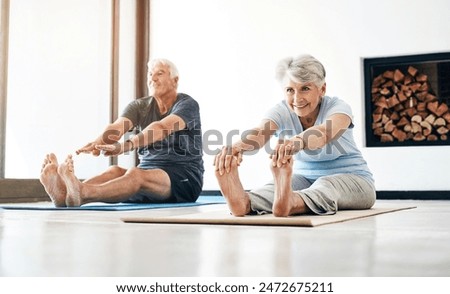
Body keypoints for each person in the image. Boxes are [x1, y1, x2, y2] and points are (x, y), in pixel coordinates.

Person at [214, 54, 375, 217]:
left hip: (356, 180)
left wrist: (296, 142)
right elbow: (260, 132)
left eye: (305, 88)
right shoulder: (281, 110)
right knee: (274, 189)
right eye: (290, 90)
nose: (297, 98)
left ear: (322, 89)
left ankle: (291, 202)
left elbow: (324, 133)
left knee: (325, 184)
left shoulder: (338, 107)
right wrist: (235, 148)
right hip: (303, 179)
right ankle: (243, 203)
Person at [40, 58, 204, 207]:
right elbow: (118, 128)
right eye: (150, 74)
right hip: (147, 172)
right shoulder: (140, 106)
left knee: (136, 175)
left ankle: (82, 193)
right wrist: (99, 142)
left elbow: (161, 128)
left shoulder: (187, 104)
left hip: (183, 179)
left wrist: (127, 146)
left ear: (175, 80)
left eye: (159, 74)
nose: (152, 79)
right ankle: (66, 194)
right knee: (114, 171)